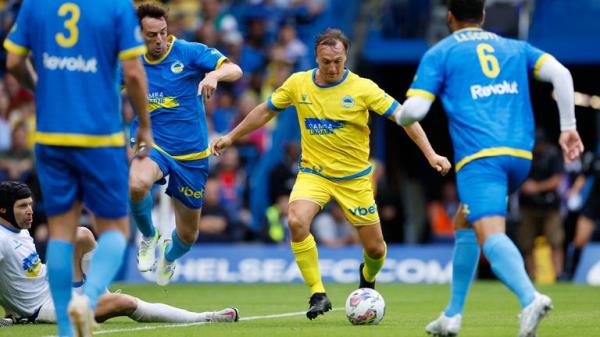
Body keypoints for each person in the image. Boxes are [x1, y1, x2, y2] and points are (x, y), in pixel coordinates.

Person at [211, 28, 451, 320]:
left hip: (355, 180)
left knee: (375, 250)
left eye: (338, 61)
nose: (333, 67)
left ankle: (367, 281)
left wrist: (432, 154)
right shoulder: (298, 84)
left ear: (346, 56)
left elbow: (405, 118)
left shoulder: (363, 88)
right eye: (327, 62)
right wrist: (230, 137)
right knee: (296, 219)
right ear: (316, 58)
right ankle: (318, 293)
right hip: (315, 174)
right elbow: (265, 110)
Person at [395, 1, 584, 336]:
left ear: (449, 16)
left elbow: (416, 111)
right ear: (482, 17)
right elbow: (562, 74)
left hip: (480, 160)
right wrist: (567, 126)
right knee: (464, 221)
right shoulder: (514, 47)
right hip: (519, 158)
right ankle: (451, 315)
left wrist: (401, 113)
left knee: (490, 233)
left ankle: (530, 298)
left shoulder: (440, 53)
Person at [4, 1, 153, 336]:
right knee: (116, 231)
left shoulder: (35, 6)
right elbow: (132, 72)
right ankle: (87, 300)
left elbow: (13, 61)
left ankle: (65, 332)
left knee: (61, 232)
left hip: (51, 135)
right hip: (100, 136)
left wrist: (40, 85)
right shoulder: (116, 8)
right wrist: (144, 124)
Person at [0, 181, 239, 327]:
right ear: (3, 209)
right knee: (125, 303)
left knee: (81, 234)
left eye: (30, 204)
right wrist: (16, 310)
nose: (30, 211)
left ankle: (101, 293)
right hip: (46, 307)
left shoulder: (18, 230)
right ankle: (205, 317)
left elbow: (16, 274)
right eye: (23, 206)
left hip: (54, 284)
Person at [128, 2, 242, 286]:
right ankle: (148, 234)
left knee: (189, 235)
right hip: (153, 141)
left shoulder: (188, 52)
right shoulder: (130, 61)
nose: (158, 40)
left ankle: (169, 255)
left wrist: (215, 74)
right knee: (137, 184)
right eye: (151, 34)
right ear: (138, 34)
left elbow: (235, 69)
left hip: (191, 153)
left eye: (162, 33)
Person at [517, 131, 564, 280]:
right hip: (527, 207)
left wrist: (536, 187)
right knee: (526, 243)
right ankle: (531, 276)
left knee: (555, 241)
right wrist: (522, 185)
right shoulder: (523, 153)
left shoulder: (553, 154)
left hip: (550, 207)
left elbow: (557, 180)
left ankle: (559, 275)